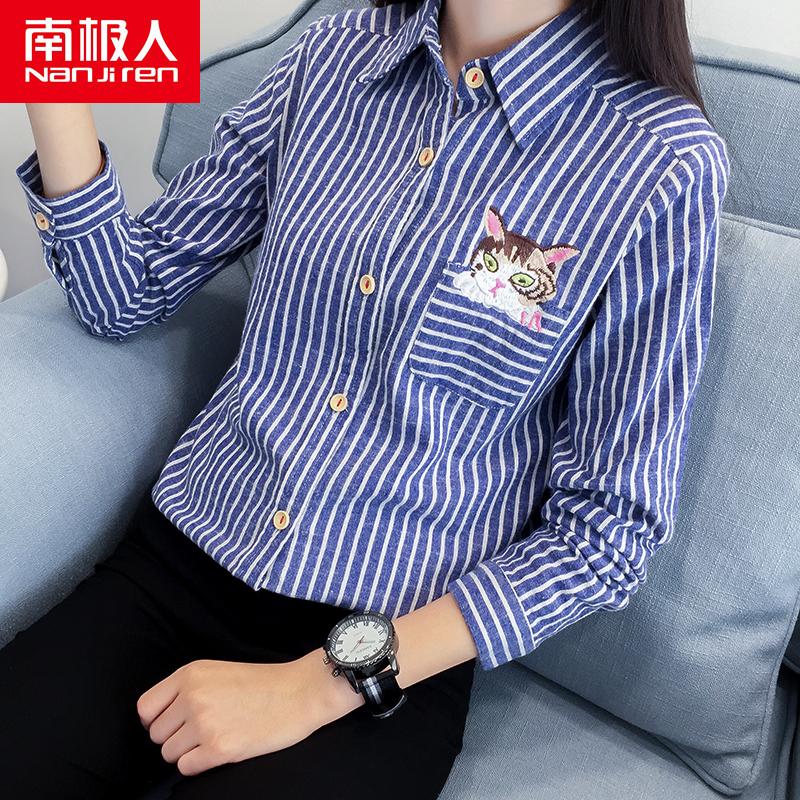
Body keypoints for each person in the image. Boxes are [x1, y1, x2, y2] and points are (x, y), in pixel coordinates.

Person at [2, 0, 729, 797]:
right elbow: (123, 295)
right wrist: (46, 48)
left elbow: (608, 530)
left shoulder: (660, 160)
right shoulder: (330, 56)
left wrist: (323, 683)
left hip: (389, 650)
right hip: (182, 558)